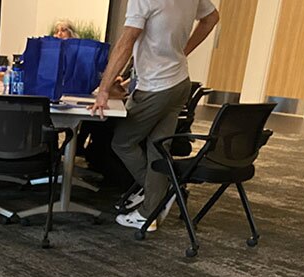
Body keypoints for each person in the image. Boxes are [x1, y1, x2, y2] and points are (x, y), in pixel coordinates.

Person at [92, 0, 219, 232]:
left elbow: (127, 41)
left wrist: (103, 89)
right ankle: (149, 210)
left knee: (122, 142)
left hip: (155, 86)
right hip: (180, 81)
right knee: (159, 149)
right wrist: (183, 51)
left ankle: (162, 192)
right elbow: (212, 18)